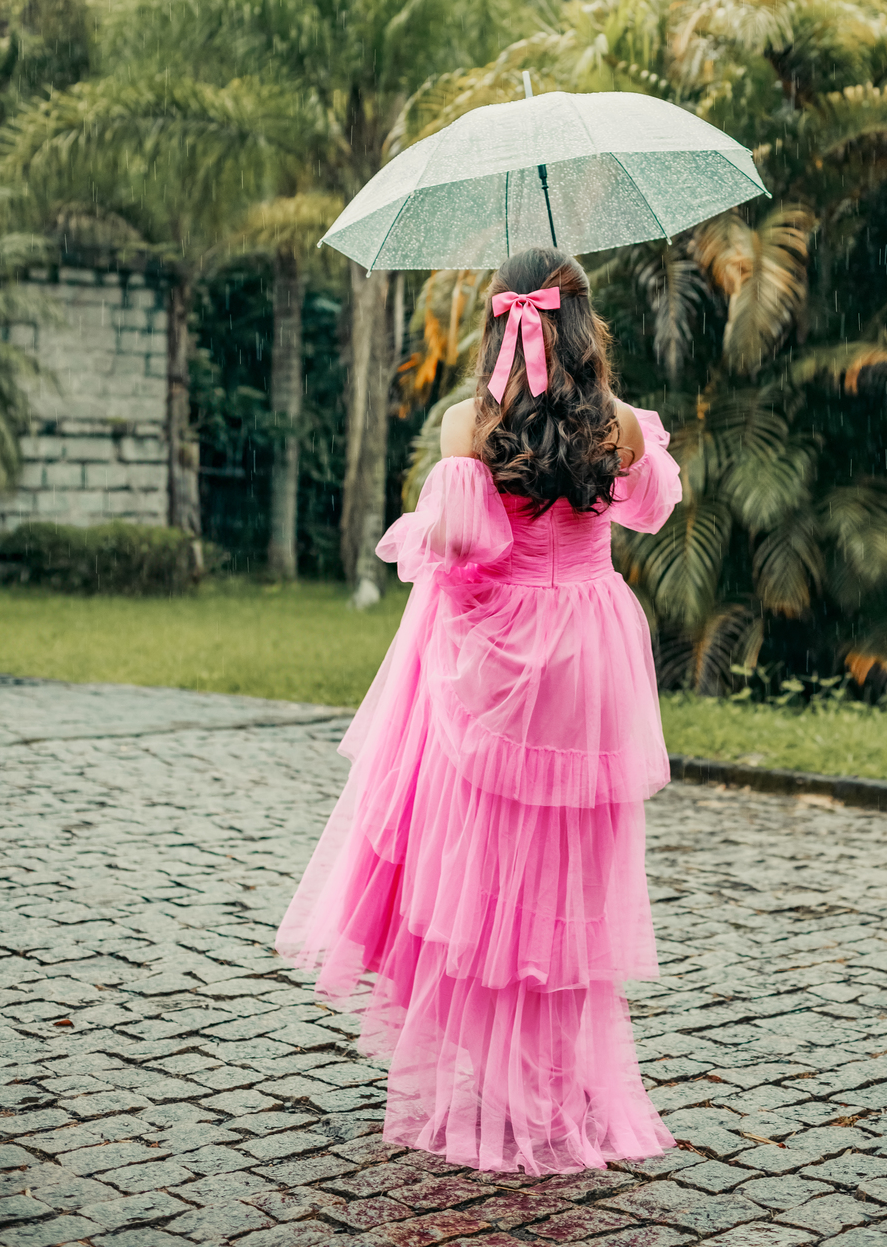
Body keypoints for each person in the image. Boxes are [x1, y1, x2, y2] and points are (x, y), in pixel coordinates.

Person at [276, 245, 684, 1175]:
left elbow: (460, 549)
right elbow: (648, 513)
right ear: (584, 328)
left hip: (501, 667)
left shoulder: (475, 422)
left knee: (485, 869)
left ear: (502, 324)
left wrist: (454, 501)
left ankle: (493, 1079)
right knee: (569, 874)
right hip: (590, 653)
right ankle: (557, 1081)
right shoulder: (617, 424)